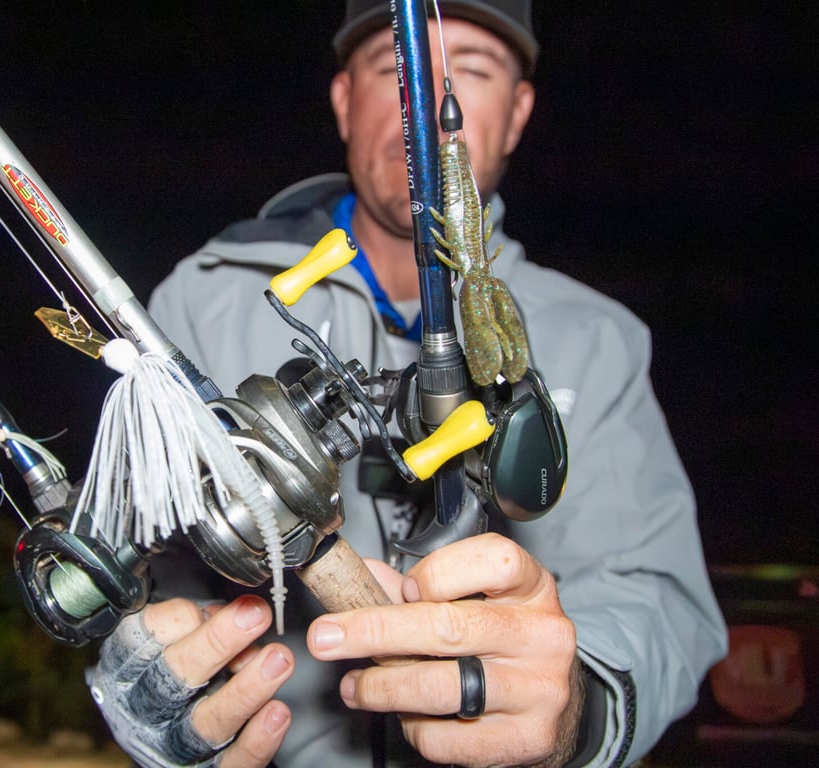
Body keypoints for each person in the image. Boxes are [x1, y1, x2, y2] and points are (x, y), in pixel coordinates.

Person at [87, 2, 728, 766]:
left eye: (470, 72)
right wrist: (144, 684)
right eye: (394, 70)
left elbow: (660, 599)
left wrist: (575, 712)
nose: (422, 109)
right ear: (343, 100)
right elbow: (130, 564)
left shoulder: (598, 339)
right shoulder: (199, 302)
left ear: (519, 113)